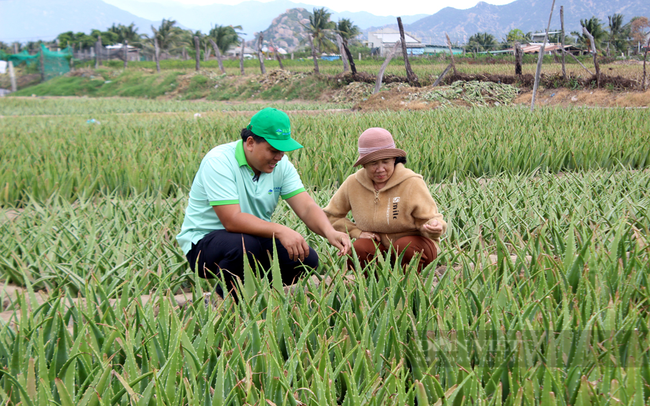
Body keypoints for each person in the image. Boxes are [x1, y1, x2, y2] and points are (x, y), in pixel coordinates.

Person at [176, 107, 351, 296]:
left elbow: (307, 207)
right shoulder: (219, 161)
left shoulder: (281, 165)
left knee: (305, 259)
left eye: (283, 151)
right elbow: (232, 220)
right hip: (204, 243)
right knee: (244, 247)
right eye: (273, 150)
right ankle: (227, 301)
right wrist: (281, 230)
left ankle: (261, 300)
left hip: (254, 238)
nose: (279, 156)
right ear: (250, 143)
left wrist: (330, 232)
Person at [323, 127, 446, 272]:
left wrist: (435, 226)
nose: (380, 169)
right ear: (364, 164)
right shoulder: (353, 183)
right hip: (378, 247)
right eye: (373, 163)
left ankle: (410, 286)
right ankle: (372, 288)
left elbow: (430, 218)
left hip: (414, 246)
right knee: (360, 249)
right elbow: (331, 215)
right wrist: (357, 232)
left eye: (386, 161)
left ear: (394, 159)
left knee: (404, 247)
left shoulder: (411, 182)